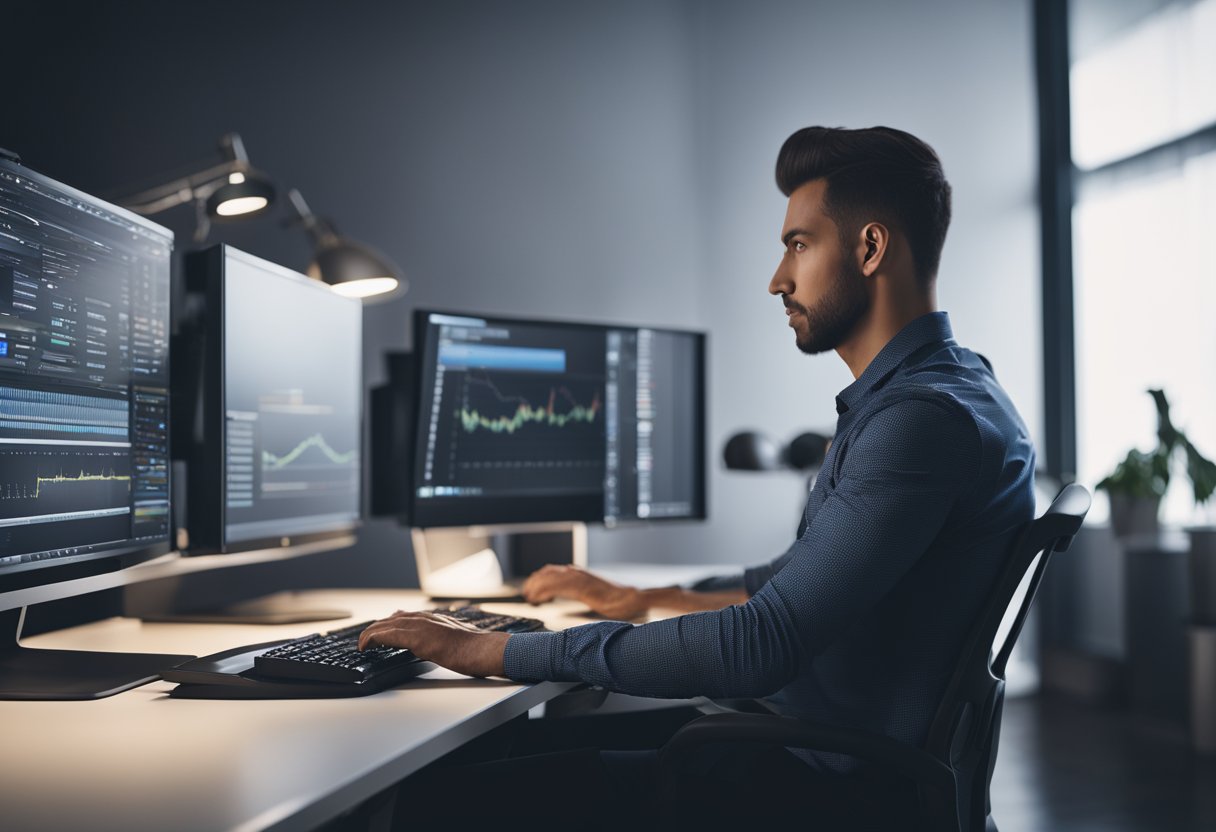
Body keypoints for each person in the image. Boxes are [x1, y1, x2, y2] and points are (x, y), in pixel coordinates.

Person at [359, 126, 1035, 829]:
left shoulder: (919, 422)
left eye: (798, 245)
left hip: (833, 791)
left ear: (869, 248)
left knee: (440, 802)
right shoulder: (955, 389)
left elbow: (763, 645)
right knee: (499, 757)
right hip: (827, 755)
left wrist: (492, 648)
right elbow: (793, 577)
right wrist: (639, 595)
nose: (778, 278)